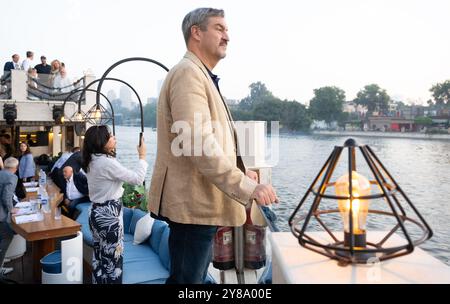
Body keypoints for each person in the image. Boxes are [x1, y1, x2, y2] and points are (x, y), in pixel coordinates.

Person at [148, 7, 278, 284]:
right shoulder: (188, 74)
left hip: (198, 205)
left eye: (227, 29)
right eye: (219, 28)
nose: (227, 36)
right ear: (196, 33)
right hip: (193, 208)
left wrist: (242, 172)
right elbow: (197, 143)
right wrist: (248, 187)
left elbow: (211, 139)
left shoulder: (200, 75)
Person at [82, 125, 147, 284]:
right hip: (109, 215)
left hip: (96, 212)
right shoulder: (106, 163)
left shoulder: (92, 160)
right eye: (110, 136)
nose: (114, 138)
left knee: (100, 256)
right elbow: (137, 179)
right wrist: (142, 156)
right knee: (113, 260)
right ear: (101, 141)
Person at [0, 157, 19, 277]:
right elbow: (6, 197)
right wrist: (12, 209)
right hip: (1, 215)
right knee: (7, 236)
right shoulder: (12, 176)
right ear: (15, 168)